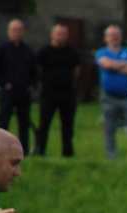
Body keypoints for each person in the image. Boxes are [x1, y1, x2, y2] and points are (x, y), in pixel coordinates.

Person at [95, 24, 127, 159]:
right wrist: (123, 64)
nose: (114, 38)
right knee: (110, 128)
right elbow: (106, 64)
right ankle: (111, 156)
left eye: (117, 35)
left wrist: (114, 66)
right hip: (108, 97)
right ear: (106, 38)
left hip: (125, 97)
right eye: (111, 35)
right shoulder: (101, 52)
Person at [35, 23, 80, 157]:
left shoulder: (72, 52)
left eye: (63, 34)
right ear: (52, 35)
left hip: (67, 94)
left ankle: (67, 153)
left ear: (67, 36)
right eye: (58, 33)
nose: (60, 36)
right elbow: (37, 70)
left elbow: (77, 71)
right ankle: (40, 151)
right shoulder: (44, 52)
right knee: (44, 124)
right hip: (48, 94)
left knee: (67, 125)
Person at [0, 19, 35, 153]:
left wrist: (31, 85)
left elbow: (34, 71)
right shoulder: (2, 49)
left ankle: (24, 151)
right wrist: (4, 84)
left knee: (24, 123)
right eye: (14, 30)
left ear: (23, 32)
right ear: (9, 32)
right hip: (8, 92)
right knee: (4, 121)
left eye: (19, 30)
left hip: (23, 92)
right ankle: (1, 150)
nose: (16, 33)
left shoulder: (27, 50)